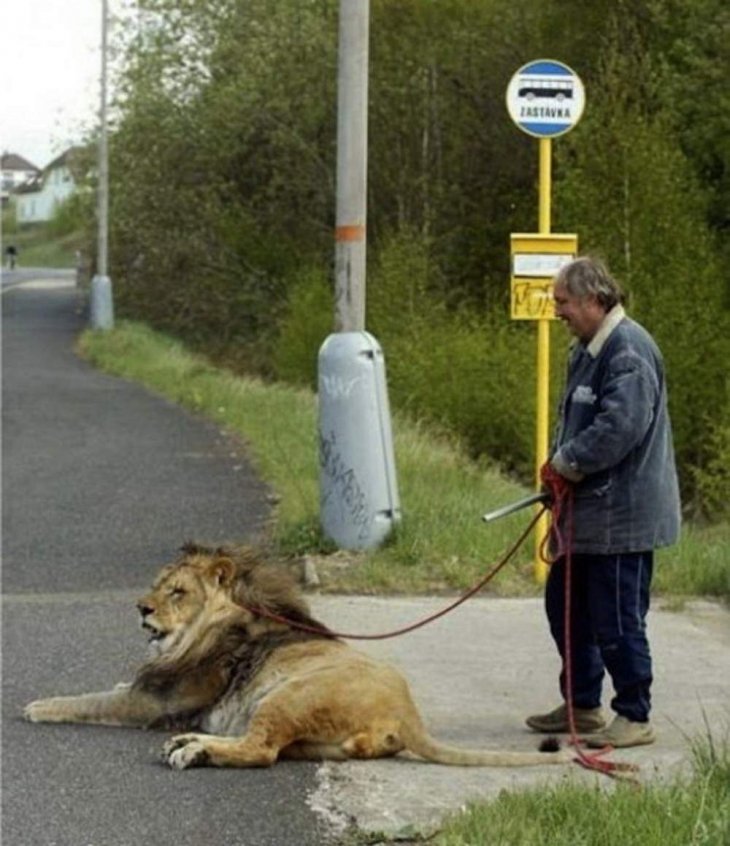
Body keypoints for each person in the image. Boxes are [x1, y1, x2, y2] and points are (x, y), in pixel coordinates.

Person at [526, 256, 680, 748]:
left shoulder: (628, 350)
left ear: (594, 300)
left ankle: (634, 714)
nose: (558, 313)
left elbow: (619, 428)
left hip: (621, 519)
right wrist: (558, 471)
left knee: (616, 619)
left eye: (563, 303)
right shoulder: (587, 348)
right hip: (586, 514)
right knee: (565, 608)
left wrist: (565, 462)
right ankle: (583, 705)